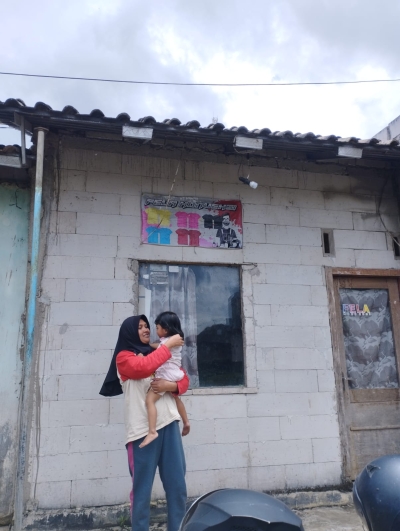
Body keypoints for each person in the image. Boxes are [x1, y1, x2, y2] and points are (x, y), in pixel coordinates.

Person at [99, 315, 189, 531]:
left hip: (169, 424)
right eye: (139, 327)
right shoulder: (124, 358)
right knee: (142, 493)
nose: (146, 329)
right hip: (142, 433)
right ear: (129, 332)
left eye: (147, 326)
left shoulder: (158, 353)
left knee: (178, 488)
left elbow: (183, 379)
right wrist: (168, 346)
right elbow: (142, 368)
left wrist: (170, 386)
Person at [140, 311, 190, 448]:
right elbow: (161, 346)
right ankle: (186, 421)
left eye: (157, 328)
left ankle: (152, 431)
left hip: (166, 374)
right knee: (176, 399)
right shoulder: (172, 341)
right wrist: (150, 345)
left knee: (150, 400)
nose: (155, 331)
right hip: (174, 373)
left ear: (166, 329)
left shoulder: (171, 341)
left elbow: (161, 350)